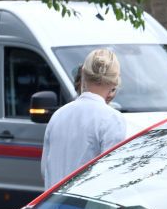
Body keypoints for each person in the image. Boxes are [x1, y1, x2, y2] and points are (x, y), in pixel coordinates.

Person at [40, 48, 127, 188]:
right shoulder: (112, 119)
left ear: (83, 76)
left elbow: (45, 171)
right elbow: (112, 176)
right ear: (115, 83)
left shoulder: (58, 115)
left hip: (54, 206)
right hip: (88, 208)